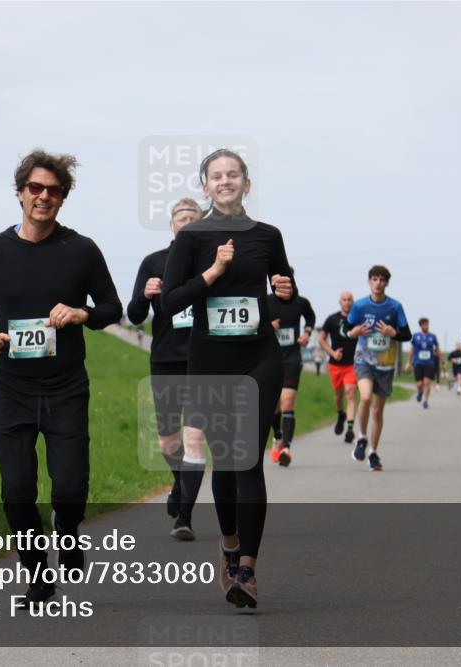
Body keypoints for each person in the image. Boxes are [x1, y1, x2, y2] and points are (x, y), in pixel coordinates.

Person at [0, 149, 122, 607]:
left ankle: (67, 531)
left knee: (69, 488)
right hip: (12, 389)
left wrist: (80, 312)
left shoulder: (82, 249)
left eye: (53, 191)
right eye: (35, 188)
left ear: (62, 198)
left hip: (66, 388)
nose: (43, 197)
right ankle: (37, 576)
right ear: (20, 193)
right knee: (16, 491)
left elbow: (112, 307)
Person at [162, 148, 295, 609]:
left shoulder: (267, 235)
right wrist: (214, 272)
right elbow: (169, 303)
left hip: (259, 358)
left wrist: (286, 293)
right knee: (225, 459)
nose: (225, 181)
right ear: (206, 187)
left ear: (246, 183)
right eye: (216, 176)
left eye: (232, 174)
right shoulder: (192, 238)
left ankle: (248, 572)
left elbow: (286, 296)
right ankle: (230, 544)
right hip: (211, 361)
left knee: (249, 462)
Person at [127, 198, 207, 540]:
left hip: (205, 360)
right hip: (165, 359)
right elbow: (132, 315)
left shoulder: (212, 261)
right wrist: (145, 296)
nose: (186, 223)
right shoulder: (154, 262)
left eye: (193, 218)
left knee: (195, 438)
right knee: (167, 441)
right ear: (171, 224)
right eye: (181, 218)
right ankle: (179, 485)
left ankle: (184, 517)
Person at [347, 266, 412, 471]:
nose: (378, 283)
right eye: (374, 279)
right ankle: (362, 437)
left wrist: (393, 333)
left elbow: (407, 334)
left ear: (387, 283)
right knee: (365, 397)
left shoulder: (395, 307)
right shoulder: (359, 306)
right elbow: (345, 328)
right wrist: (354, 332)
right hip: (363, 361)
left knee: (377, 411)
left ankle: (373, 453)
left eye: (382, 280)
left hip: (385, 364)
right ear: (369, 281)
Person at [267, 291, 316, 466]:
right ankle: (278, 436)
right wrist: (267, 326)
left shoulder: (301, 302)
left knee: (287, 402)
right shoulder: (265, 301)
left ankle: (286, 448)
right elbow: (252, 323)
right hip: (269, 358)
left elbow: (310, 318)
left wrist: (307, 334)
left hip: (292, 359)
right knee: (273, 404)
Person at [319, 291, 359, 444]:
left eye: (350, 300)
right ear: (340, 302)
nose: (347, 302)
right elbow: (321, 339)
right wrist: (332, 353)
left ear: (353, 302)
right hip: (335, 364)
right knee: (338, 396)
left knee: (350, 393)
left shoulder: (357, 319)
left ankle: (349, 429)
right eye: (344, 300)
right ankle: (341, 414)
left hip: (352, 364)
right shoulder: (332, 319)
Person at [406, 317, 440, 409]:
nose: (427, 326)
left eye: (428, 324)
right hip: (418, 362)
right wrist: (408, 362)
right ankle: (420, 392)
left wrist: (440, 359)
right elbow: (412, 350)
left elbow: (437, 349)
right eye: (425, 324)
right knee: (419, 384)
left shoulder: (432, 336)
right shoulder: (416, 336)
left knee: (427, 382)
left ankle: (425, 401)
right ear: (421, 326)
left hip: (429, 363)